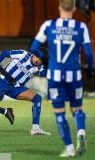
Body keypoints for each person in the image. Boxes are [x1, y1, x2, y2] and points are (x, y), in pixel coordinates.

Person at [30, 0, 94, 157]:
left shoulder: (48, 25)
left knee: (59, 112)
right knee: (77, 108)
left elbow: (33, 47)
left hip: (55, 77)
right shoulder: (81, 27)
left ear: (59, 8)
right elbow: (89, 53)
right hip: (74, 76)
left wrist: (45, 59)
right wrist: (90, 70)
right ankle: (80, 131)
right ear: (74, 8)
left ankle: (70, 148)